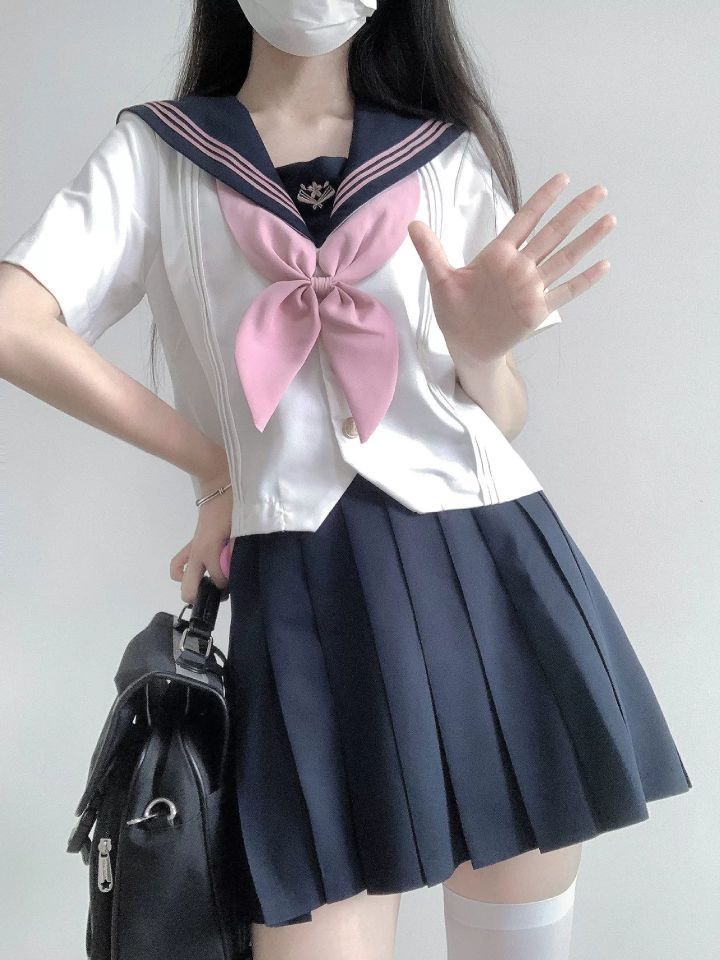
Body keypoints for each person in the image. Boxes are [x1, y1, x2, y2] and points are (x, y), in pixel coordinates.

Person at [0, 1, 692, 958]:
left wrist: (481, 348)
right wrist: (213, 467)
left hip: (493, 575)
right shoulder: (158, 155)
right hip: (306, 604)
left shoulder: (440, 154)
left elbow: (500, 414)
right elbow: (14, 324)